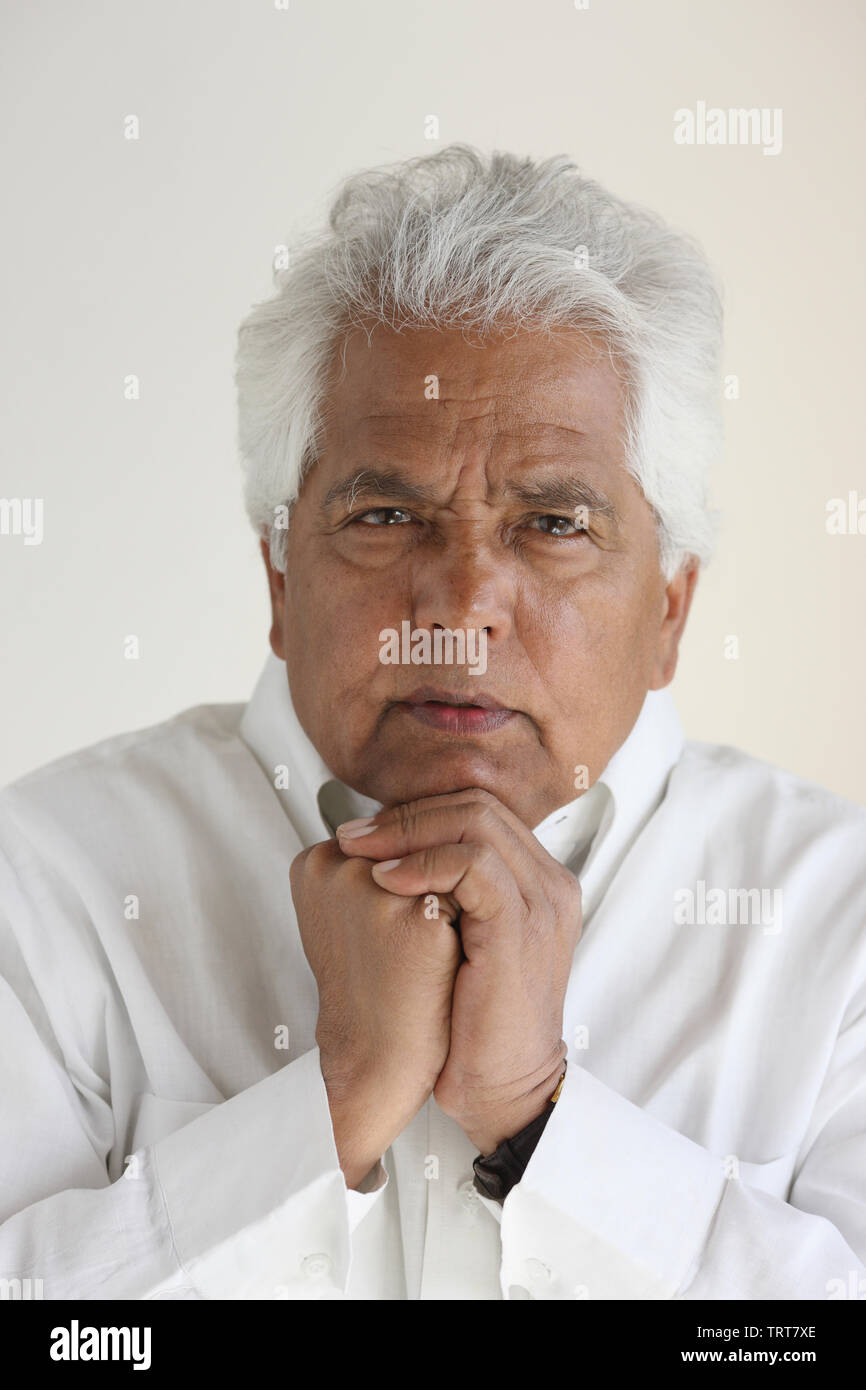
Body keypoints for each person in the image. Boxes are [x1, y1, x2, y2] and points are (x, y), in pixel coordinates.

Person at [1, 145, 864, 1301]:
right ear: (277, 578)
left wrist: (541, 1118)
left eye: (554, 522)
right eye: (386, 513)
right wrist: (334, 1098)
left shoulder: (838, 924)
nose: (460, 607)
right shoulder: (42, 882)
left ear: (668, 606)